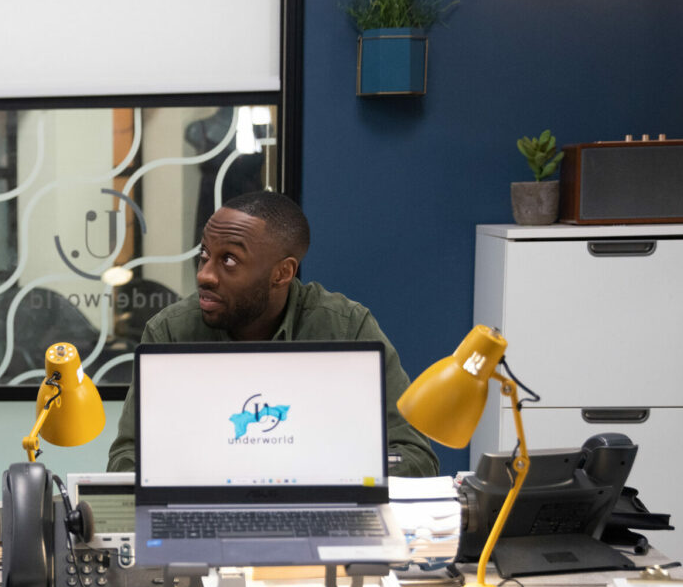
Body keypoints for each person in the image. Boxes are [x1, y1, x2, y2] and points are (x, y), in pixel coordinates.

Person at [107, 191, 437, 477]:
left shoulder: (346, 328)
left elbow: (414, 455)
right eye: (204, 255)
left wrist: (328, 482)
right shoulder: (170, 332)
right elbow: (126, 459)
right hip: (208, 511)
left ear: (282, 273)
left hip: (317, 511)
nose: (205, 275)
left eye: (229, 260)